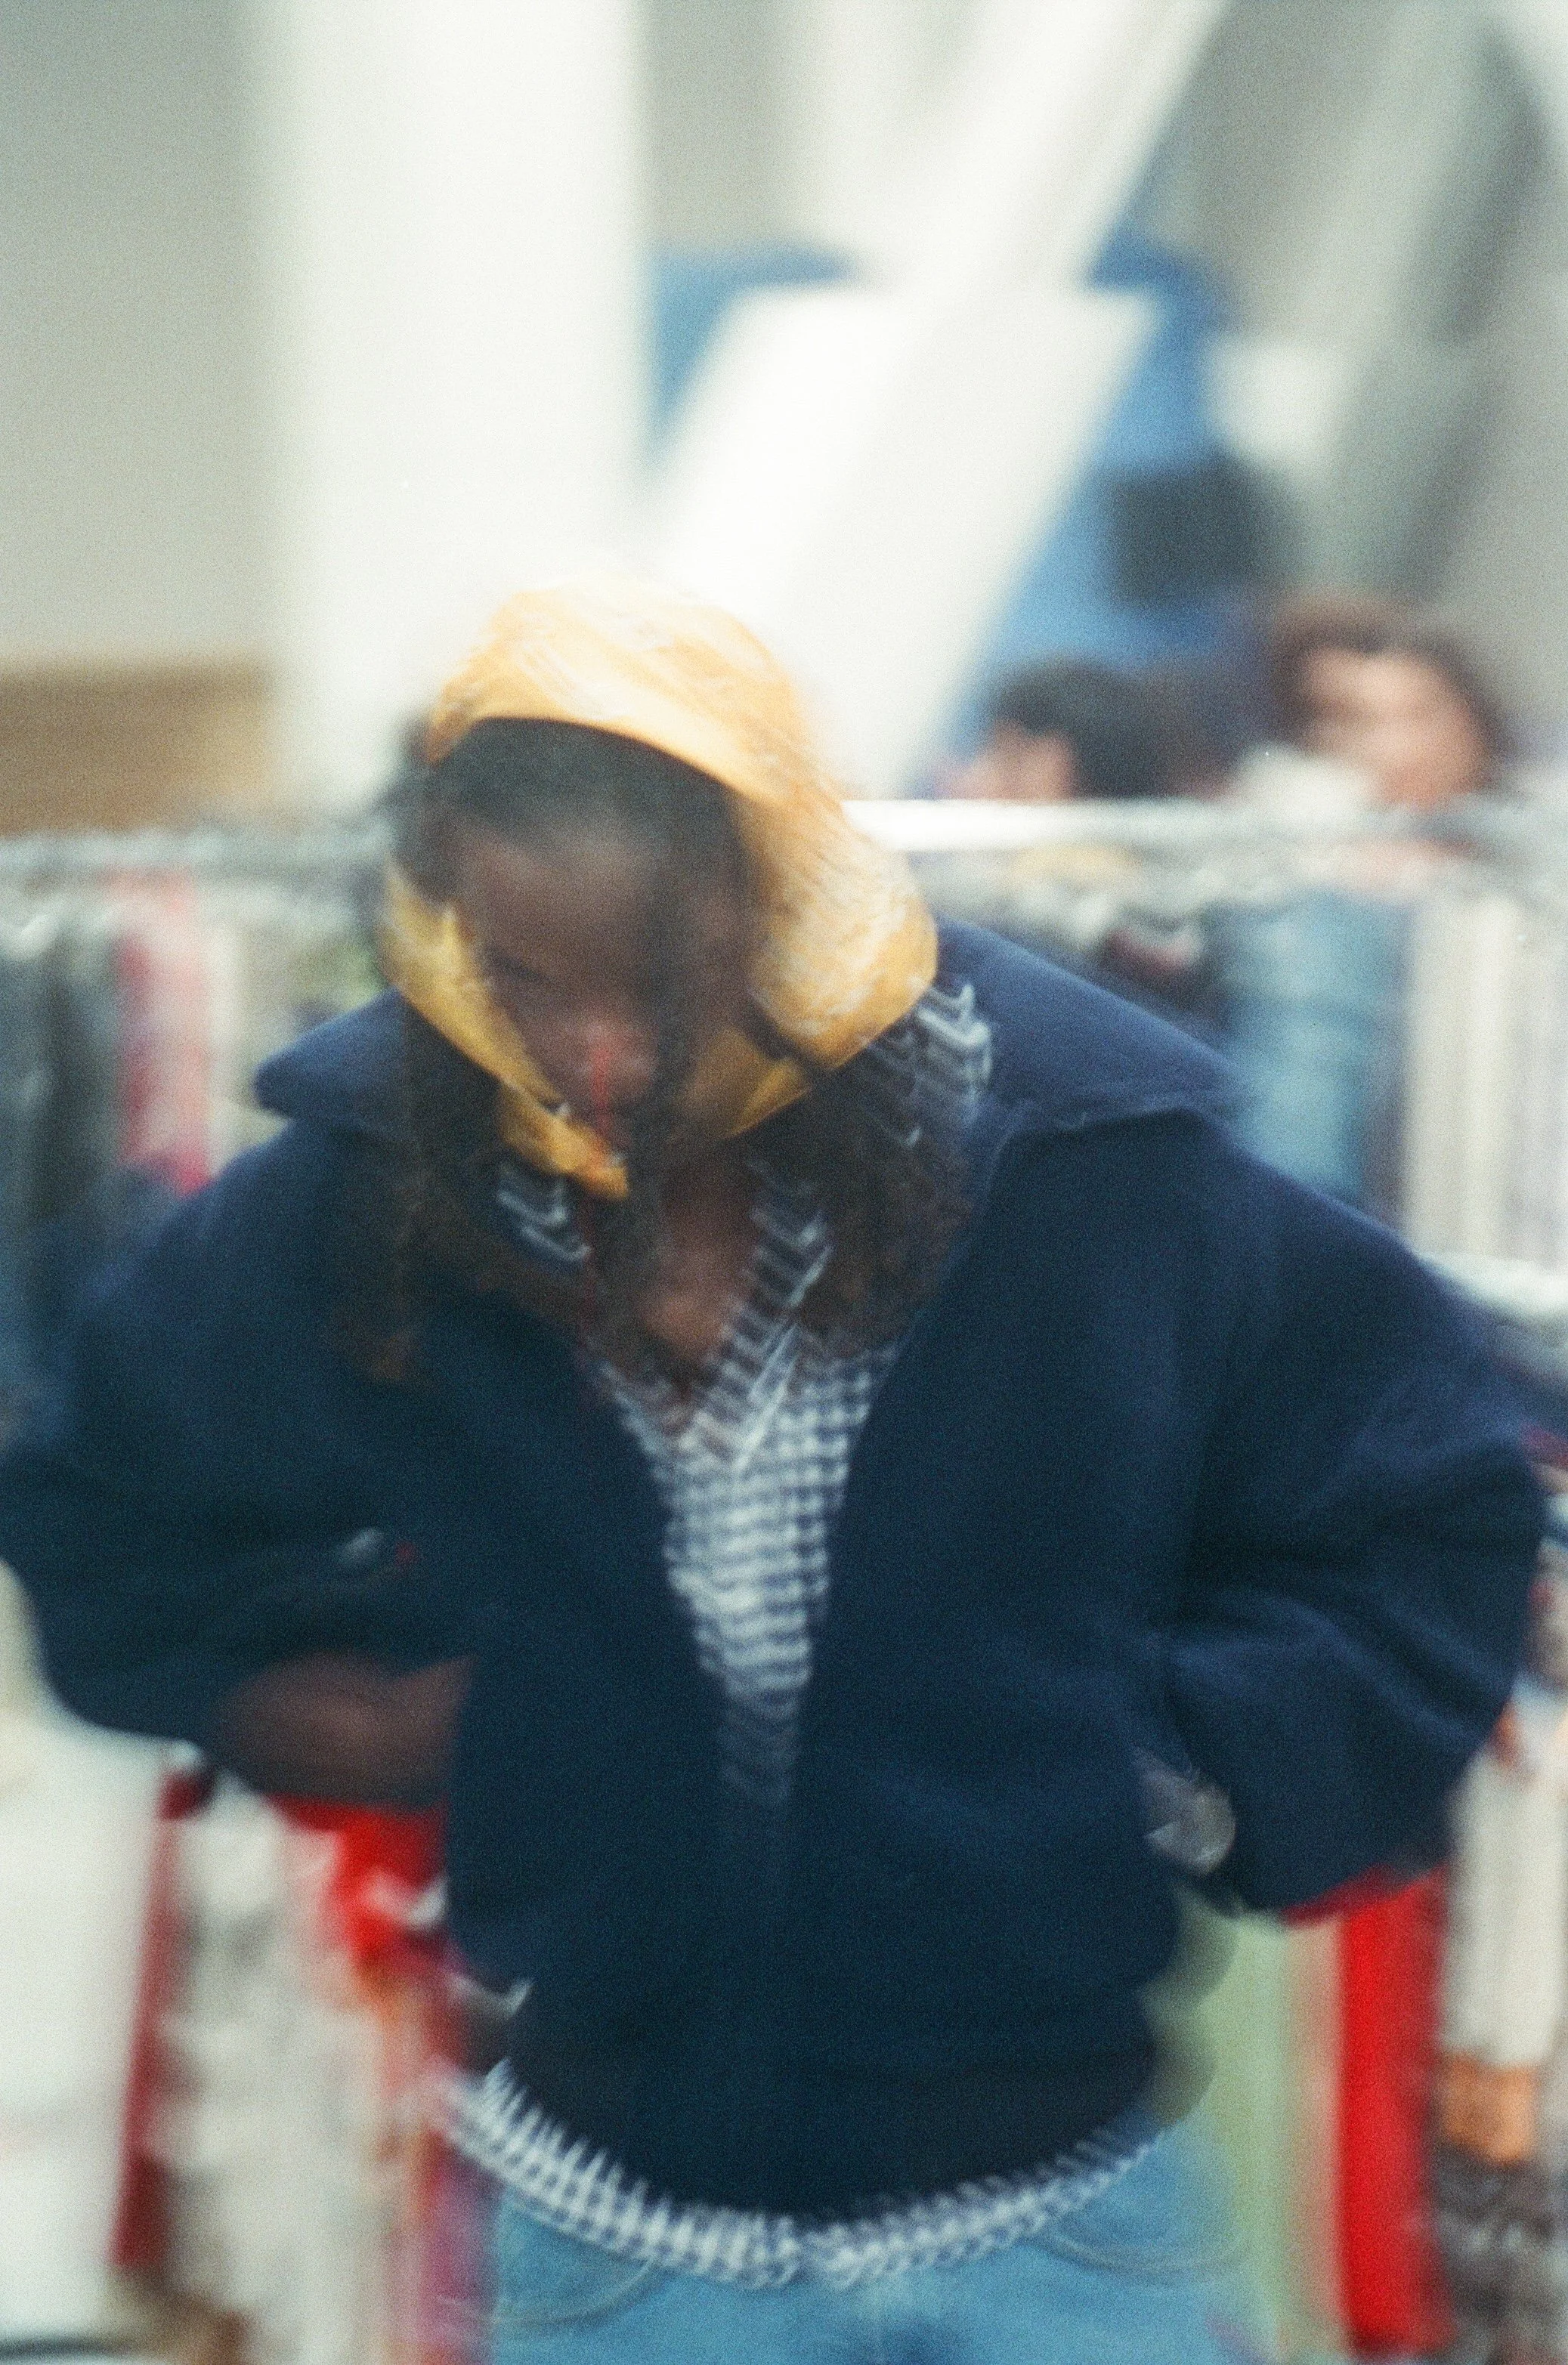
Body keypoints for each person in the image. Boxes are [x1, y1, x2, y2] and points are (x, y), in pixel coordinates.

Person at [0, 577, 1540, 2364]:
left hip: (1061, 2241)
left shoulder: (1076, 1164)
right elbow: (96, 1478)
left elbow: (1422, 1488)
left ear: (780, 901)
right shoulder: (390, 1184)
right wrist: (280, 1690)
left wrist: (1178, 1760)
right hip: (607, 2247)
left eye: (659, 982)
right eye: (527, 978)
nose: (599, 1059)